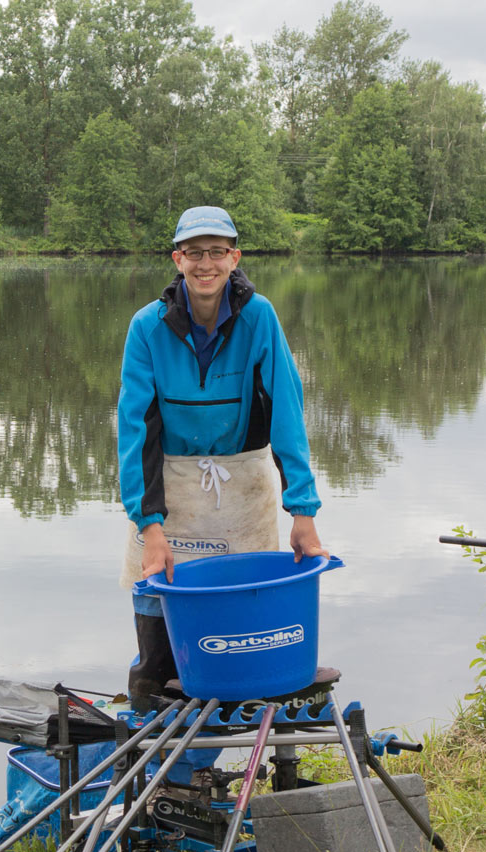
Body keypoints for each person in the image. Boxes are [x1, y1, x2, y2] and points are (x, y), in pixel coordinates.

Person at [118, 205, 327, 710]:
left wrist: (303, 512)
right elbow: (136, 428)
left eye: (216, 252)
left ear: (235, 258)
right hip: (170, 487)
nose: (205, 263)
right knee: (159, 655)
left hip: (243, 488)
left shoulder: (259, 316)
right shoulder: (146, 326)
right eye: (194, 253)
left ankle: (243, 764)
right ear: (177, 259)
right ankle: (161, 762)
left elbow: (286, 413)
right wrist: (150, 527)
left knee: (247, 640)